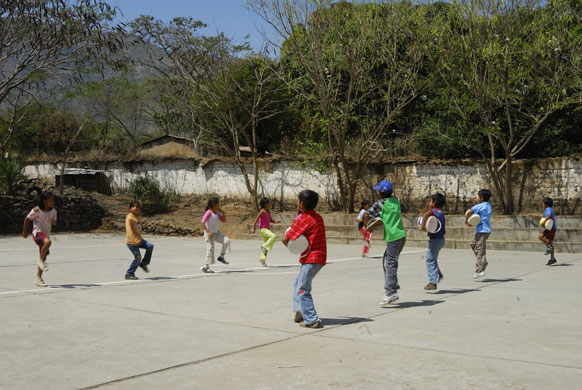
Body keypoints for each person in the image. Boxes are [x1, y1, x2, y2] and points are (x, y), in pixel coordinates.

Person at [282, 190, 326, 328]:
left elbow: (286, 239)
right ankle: (300, 312)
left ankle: (312, 319)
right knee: (298, 283)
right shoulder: (318, 217)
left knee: (302, 289)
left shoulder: (303, 219)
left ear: (301, 204)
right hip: (319, 257)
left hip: (311, 258)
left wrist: (292, 246)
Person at [364, 180, 407, 306]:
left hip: (393, 237)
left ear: (380, 193)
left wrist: (367, 226)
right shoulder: (397, 201)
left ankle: (391, 292)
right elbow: (404, 209)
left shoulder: (380, 204)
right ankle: (393, 284)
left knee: (391, 263)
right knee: (387, 260)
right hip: (401, 236)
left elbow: (367, 214)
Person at [22, 190, 57, 287]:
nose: (52, 202)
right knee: (48, 243)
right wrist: (25, 232)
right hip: (37, 233)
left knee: (44, 256)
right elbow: (27, 219)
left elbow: (54, 222)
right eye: (50, 200)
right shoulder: (37, 210)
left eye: (53, 200)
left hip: (46, 235)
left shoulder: (53, 211)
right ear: (45, 201)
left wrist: (53, 222)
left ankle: (38, 278)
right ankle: (40, 261)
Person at [419, 193, 446, 291]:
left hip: (435, 240)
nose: (429, 202)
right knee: (432, 258)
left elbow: (427, 215)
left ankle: (433, 282)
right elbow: (432, 221)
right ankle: (437, 274)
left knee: (430, 259)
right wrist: (424, 215)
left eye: (430, 201)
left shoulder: (433, 211)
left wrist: (422, 226)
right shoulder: (440, 212)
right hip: (440, 239)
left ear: (434, 203)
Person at [464, 189, 492, 279]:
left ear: (481, 198)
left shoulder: (480, 206)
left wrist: (467, 222)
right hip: (485, 230)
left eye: (478, 197)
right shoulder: (488, 205)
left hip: (482, 231)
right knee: (473, 244)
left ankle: (480, 270)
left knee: (480, 249)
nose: (477, 198)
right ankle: (483, 262)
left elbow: (469, 212)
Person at [124, 200, 154, 280]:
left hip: (139, 240)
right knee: (138, 258)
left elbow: (139, 231)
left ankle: (144, 264)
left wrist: (139, 231)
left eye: (137, 207)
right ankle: (129, 273)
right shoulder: (129, 218)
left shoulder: (137, 217)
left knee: (150, 246)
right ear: (130, 208)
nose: (136, 208)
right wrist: (134, 241)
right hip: (132, 242)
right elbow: (129, 231)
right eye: (134, 207)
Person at [200, 197, 230, 273]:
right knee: (210, 249)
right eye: (217, 204)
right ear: (213, 205)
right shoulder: (208, 212)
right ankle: (206, 267)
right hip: (209, 234)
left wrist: (223, 212)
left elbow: (224, 220)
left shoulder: (216, 213)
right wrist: (208, 232)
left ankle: (221, 256)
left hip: (216, 233)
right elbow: (202, 222)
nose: (218, 205)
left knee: (226, 240)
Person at [251, 197, 281, 267]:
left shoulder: (268, 211)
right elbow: (255, 220)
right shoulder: (262, 211)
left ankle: (262, 259)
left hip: (268, 229)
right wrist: (253, 228)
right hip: (263, 229)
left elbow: (271, 220)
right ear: (265, 204)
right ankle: (264, 247)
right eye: (269, 203)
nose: (270, 204)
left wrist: (276, 222)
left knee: (266, 246)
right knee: (273, 236)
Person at [537, 197, 557, 265]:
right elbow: (544, 218)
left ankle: (549, 247)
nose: (542, 204)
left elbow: (549, 215)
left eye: (543, 203)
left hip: (550, 229)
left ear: (546, 204)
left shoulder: (548, 209)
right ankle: (552, 258)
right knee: (550, 242)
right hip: (551, 228)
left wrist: (544, 222)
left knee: (540, 236)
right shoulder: (548, 209)